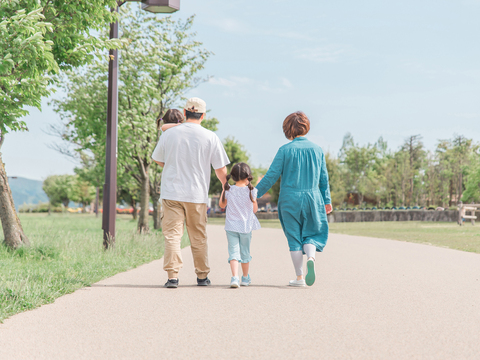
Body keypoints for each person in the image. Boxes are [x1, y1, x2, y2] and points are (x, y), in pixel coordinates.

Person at [151, 97, 230, 288]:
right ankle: (202, 276)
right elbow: (220, 168)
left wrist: (172, 164)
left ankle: (172, 277)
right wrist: (225, 186)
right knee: (198, 236)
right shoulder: (210, 136)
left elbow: (158, 159)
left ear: (185, 113)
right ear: (203, 115)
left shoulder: (168, 135)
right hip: (197, 195)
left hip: (171, 193)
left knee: (172, 236)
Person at [255, 111, 332, 287]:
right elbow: (323, 179)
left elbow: (270, 176)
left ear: (287, 129)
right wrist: (327, 200)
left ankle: (299, 278)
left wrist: (253, 194)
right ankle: (311, 258)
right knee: (312, 233)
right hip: (312, 197)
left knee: (294, 238)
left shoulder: (284, 150)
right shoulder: (317, 150)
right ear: (306, 127)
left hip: (289, 199)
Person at [219, 163, 261, 288]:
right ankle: (245, 278)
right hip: (245, 227)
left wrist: (223, 189)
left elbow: (222, 205)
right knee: (245, 253)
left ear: (232, 177)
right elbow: (255, 210)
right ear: (248, 176)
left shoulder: (229, 189)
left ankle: (234, 278)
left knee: (233, 253)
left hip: (231, 226)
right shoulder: (252, 191)